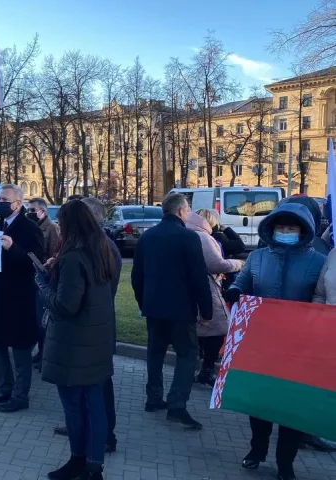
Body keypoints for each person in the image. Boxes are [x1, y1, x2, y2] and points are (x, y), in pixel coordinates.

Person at [225, 202, 326, 480]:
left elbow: (322, 297)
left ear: (303, 230)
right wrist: (234, 291)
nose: (285, 231)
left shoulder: (319, 260)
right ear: (271, 229)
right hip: (262, 343)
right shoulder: (258, 257)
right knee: (260, 402)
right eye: (281, 227)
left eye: (291, 227)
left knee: (291, 408)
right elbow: (243, 281)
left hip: (300, 347)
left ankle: (285, 463)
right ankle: (257, 450)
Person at [37, 200, 118, 480]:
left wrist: (43, 285)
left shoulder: (73, 256)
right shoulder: (103, 249)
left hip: (74, 344)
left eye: (60, 222)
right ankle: (91, 464)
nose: (58, 227)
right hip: (97, 338)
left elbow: (66, 305)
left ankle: (82, 461)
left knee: (75, 405)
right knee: (94, 404)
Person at [131, 192, 212, 430]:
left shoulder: (148, 237)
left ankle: (153, 398)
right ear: (180, 211)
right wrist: (206, 311)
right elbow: (199, 277)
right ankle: (177, 405)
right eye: (187, 210)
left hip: (154, 307)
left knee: (155, 353)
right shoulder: (188, 237)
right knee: (187, 355)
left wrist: (143, 302)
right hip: (181, 309)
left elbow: (137, 275)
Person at [0, 184, 44, 413]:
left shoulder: (29, 227)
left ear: (17, 203)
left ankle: (20, 396)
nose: (0, 202)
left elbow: (38, 260)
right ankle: (3, 388)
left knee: (19, 348)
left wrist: (14, 248)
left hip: (19, 297)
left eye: (4, 199)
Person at [184, 211, 244, 387]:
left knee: (200, 329)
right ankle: (206, 369)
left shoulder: (187, 233)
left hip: (190, 289)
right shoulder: (204, 237)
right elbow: (217, 264)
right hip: (208, 288)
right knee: (216, 328)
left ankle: (198, 368)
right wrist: (239, 264)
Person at [27, 197, 60, 366]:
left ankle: (44, 354)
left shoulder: (51, 228)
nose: (30, 213)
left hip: (44, 276)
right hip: (31, 276)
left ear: (42, 211)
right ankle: (40, 351)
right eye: (28, 210)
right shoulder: (31, 227)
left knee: (43, 320)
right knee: (35, 319)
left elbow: (54, 251)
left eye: (33, 210)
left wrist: (44, 263)